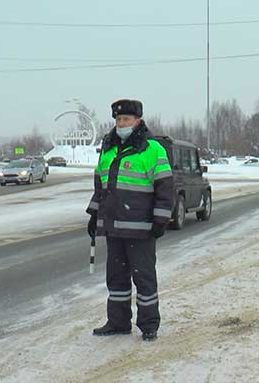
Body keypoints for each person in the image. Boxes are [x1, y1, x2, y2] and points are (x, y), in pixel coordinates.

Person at [86, 99, 174, 342]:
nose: (121, 124)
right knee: (116, 279)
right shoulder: (108, 149)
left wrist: (160, 220)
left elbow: (165, 188)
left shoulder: (152, 149)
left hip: (141, 228)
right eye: (117, 119)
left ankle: (148, 325)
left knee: (144, 278)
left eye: (126, 119)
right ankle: (118, 321)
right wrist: (94, 214)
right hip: (113, 228)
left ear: (138, 121)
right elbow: (101, 187)